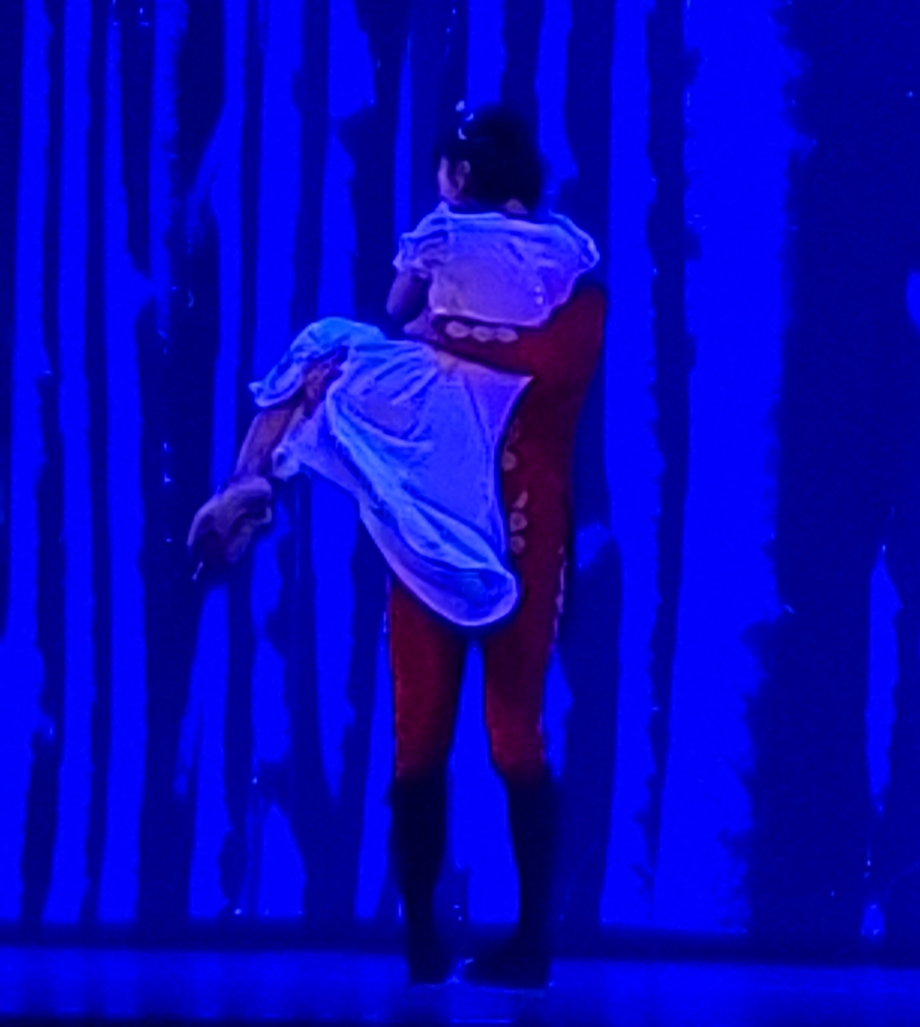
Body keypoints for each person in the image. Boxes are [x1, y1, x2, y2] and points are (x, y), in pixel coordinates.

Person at [188, 105, 605, 988]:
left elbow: (545, 362)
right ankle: (422, 934)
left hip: (516, 533)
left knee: (512, 734)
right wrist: (433, 324)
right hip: (434, 508)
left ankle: (531, 939)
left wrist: (442, 325)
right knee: (420, 735)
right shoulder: (507, 270)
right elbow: (403, 309)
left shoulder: (570, 290)